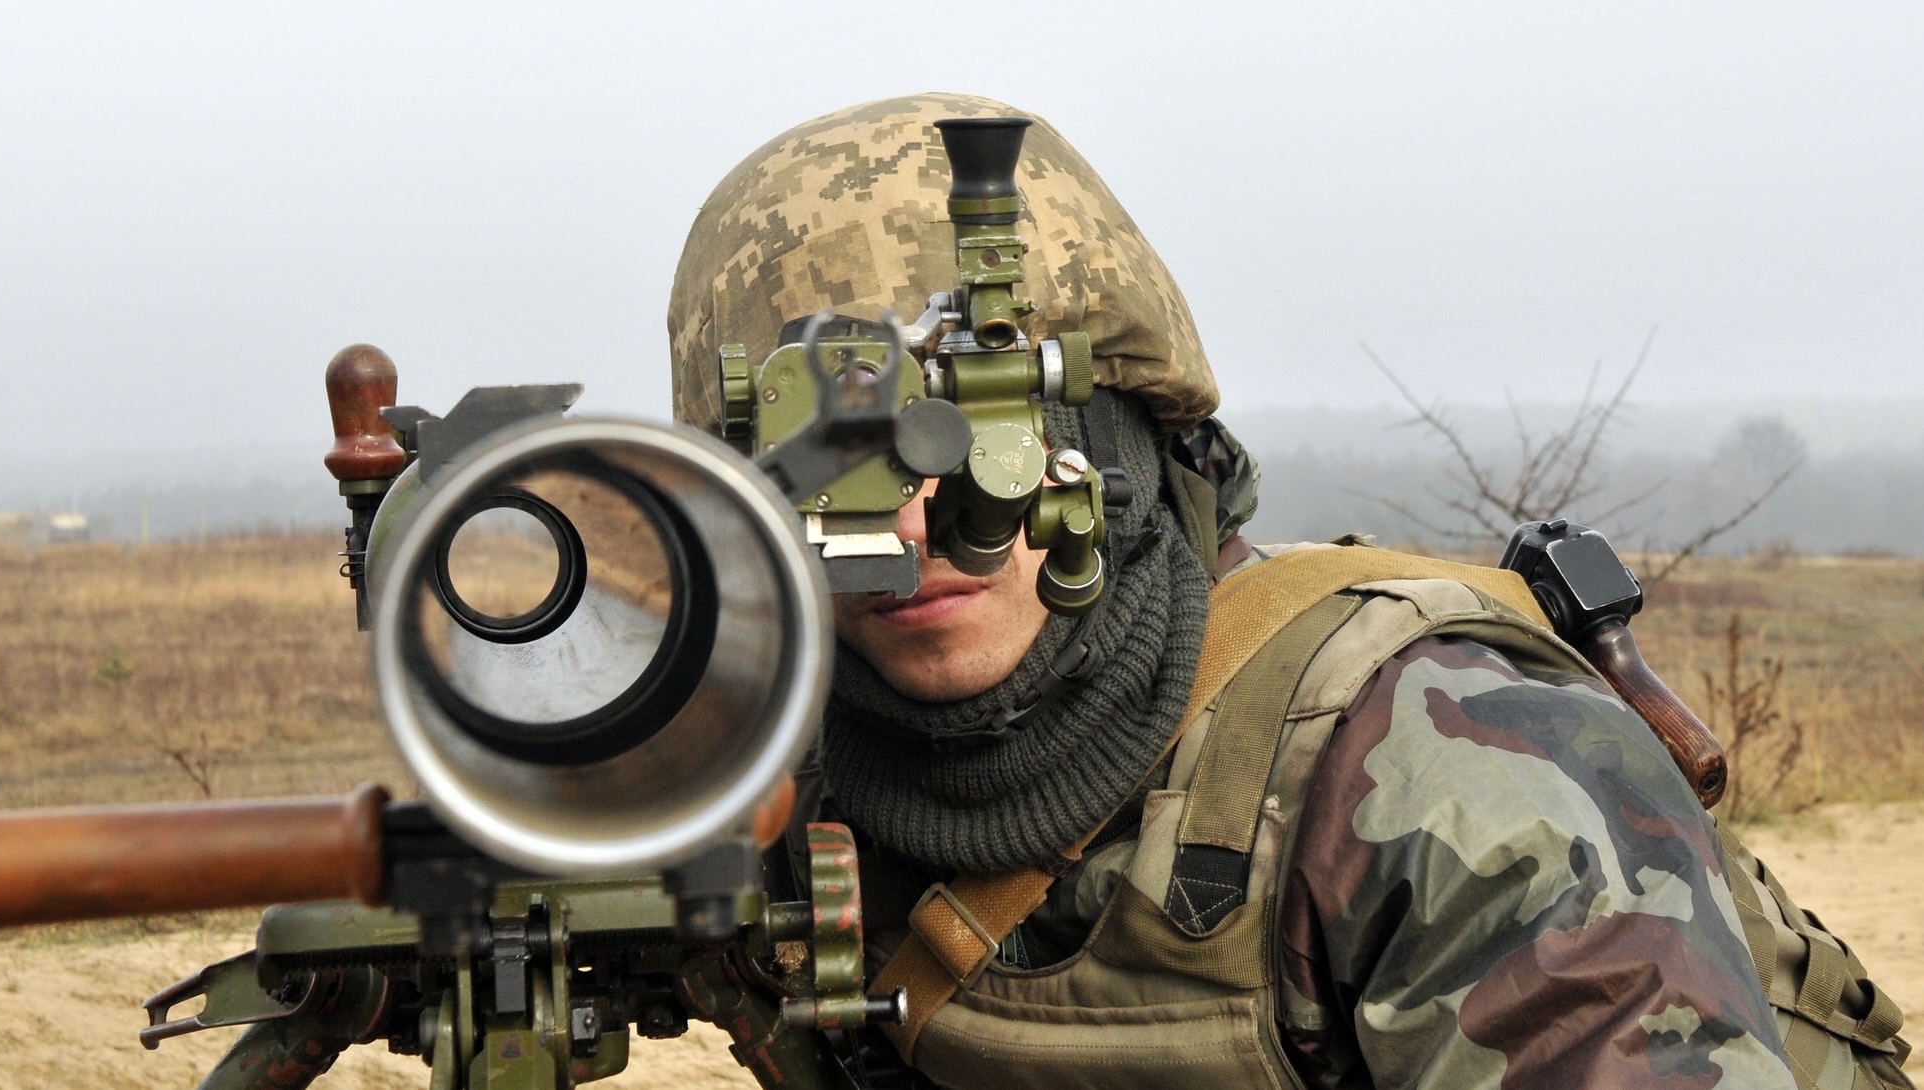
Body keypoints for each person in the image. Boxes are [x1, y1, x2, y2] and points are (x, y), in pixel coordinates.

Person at [667, 93, 1807, 1089]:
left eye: (962, 441)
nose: (909, 524)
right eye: (825, 468)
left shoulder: (1453, 778)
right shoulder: (783, 790)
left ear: (1108, 437)